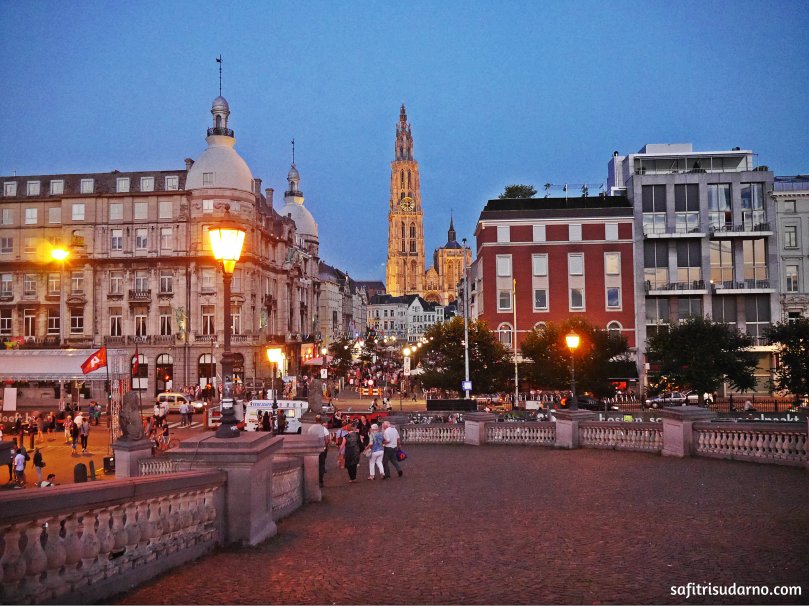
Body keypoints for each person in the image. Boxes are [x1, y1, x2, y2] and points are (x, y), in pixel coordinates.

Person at [307, 415, 330, 487]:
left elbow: (309, 438)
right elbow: (326, 439)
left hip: (313, 449)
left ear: (315, 420)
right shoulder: (323, 429)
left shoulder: (310, 428)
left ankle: (312, 480)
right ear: (321, 420)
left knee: (313, 465)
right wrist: (325, 446)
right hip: (321, 449)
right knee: (321, 465)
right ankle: (320, 481)